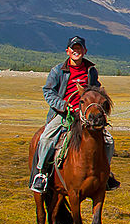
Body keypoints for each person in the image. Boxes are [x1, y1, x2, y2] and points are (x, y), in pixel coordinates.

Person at [30, 35, 119, 193]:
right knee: (46, 138)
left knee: (108, 141)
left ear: (84, 51)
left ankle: (106, 174)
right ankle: (42, 174)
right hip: (64, 113)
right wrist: (64, 106)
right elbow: (49, 92)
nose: (76, 51)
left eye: (79, 49)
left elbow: (95, 90)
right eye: (73, 49)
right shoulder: (58, 71)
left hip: (85, 115)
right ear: (67, 51)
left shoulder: (91, 71)